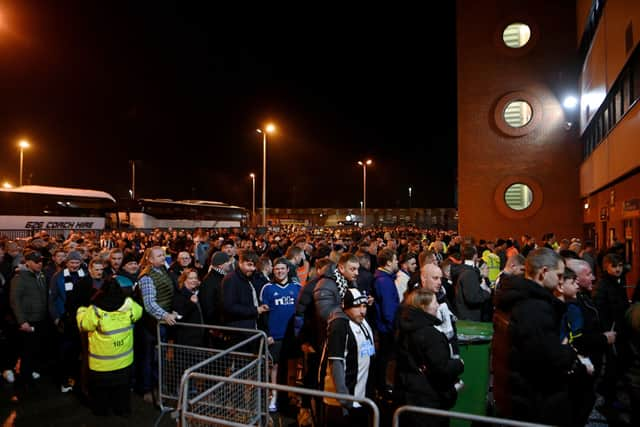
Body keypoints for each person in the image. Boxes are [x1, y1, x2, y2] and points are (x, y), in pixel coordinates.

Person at [492, 248, 575, 425]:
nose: (561, 281)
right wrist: (568, 351)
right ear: (544, 272)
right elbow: (547, 357)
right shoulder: (535, 308)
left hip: (511, 391)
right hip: (531, 398)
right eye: (559, 275)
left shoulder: (513, 297)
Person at [395, 289, 464, 427]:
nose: (438, 305)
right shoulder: (430, 334)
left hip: (408, 395)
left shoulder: (403, 329)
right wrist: (458, 364)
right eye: (435, 302)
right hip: (429, 401)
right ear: (424, 306)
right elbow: (441, 369)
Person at [77, 278, 142, 417]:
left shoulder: (95, 310)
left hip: (101, 365)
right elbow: (139, 312)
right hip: (124, 362)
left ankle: (102, 413)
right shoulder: (129, 305)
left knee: (101, 394)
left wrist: (81, 311)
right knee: (122, 392)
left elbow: (84, 325)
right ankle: (123, 411)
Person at [321, 288, 375, 426]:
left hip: (361, 397)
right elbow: (335, 362)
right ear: (346, 307)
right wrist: (344, 399)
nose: (362, 311)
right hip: (343, 403)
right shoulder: (339, 325)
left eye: (364, 306)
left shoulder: (362, 321)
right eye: (357, 307)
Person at [259, 258, 301, 412]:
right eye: (277, 269)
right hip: (275, 336)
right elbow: (263, 314)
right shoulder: (267, 288)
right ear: (273, 270)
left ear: (288, 270)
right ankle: (274, 395)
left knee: (292, 366)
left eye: (282, 268)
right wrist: (267, 334)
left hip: (292, 336)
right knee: (274, 367)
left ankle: (292, 395)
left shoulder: (296, 287)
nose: (280, 271)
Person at [9, 250, 50, 401]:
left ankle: (29, 380)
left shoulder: (41, 275)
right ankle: (22, 385)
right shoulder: (20, 277)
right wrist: (22, 321)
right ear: (28, 262)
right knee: (26, 354)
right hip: (28, 321)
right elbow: (15, 301)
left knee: (34, 352)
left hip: (40, 319)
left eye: (41, 261)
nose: (40, 263)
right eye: (36, 261)